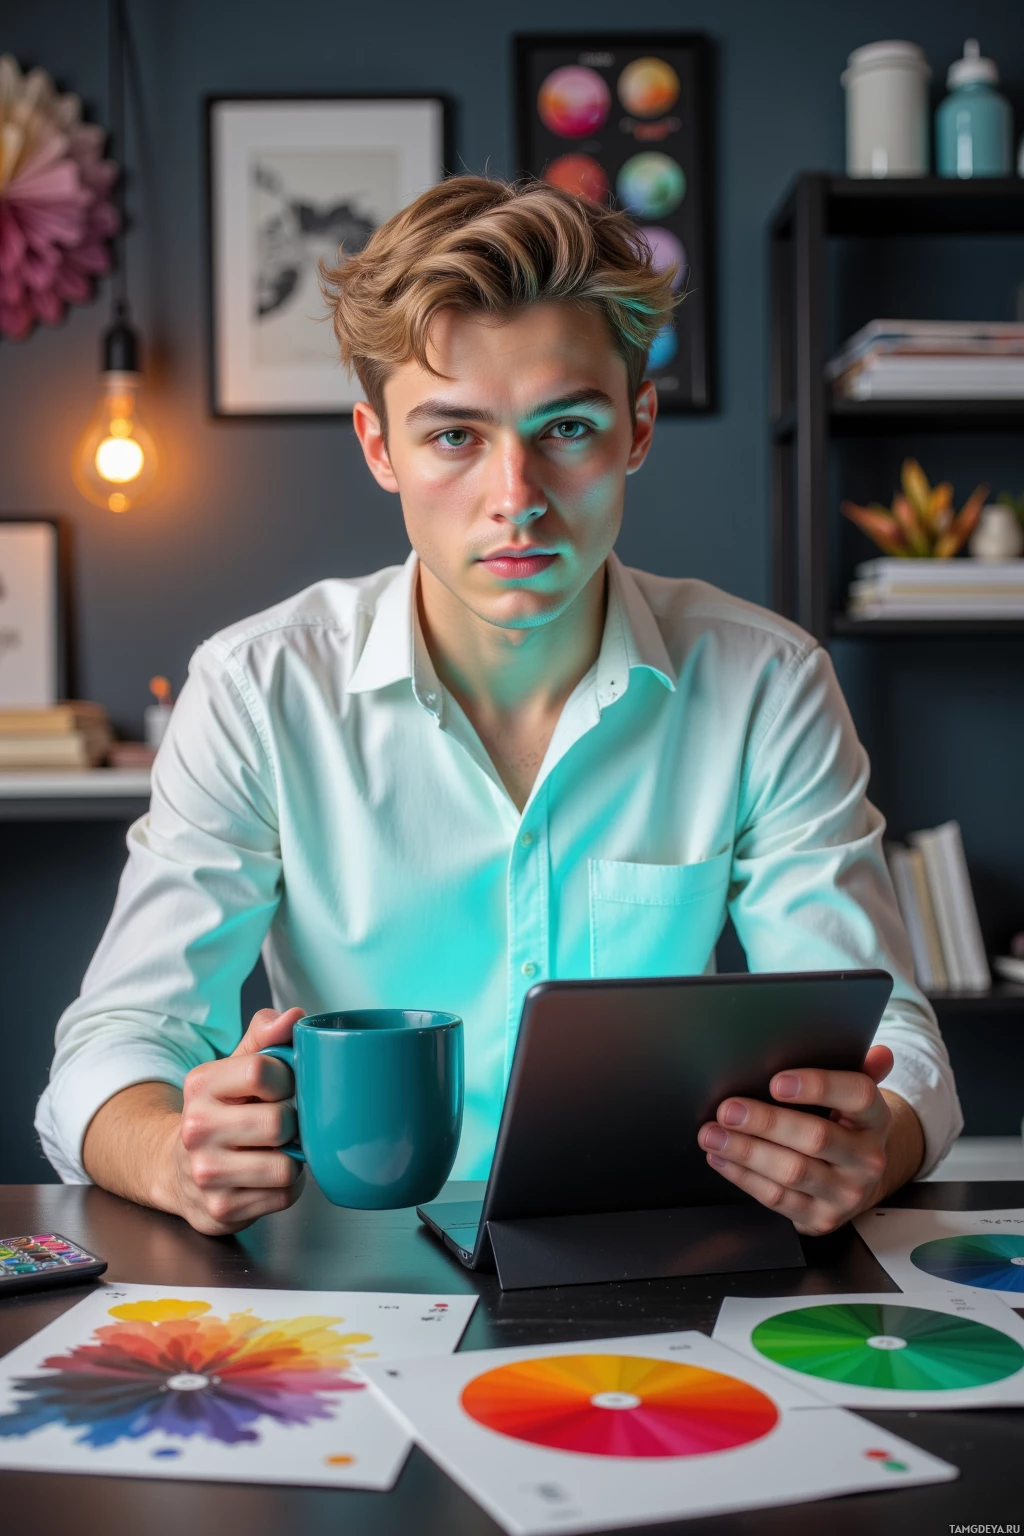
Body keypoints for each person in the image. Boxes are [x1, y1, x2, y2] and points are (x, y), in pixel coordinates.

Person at [38, 176, 961, 1237]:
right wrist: (169, 1149)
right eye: (453, 436)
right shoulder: (257, 690)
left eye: (565, 426)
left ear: (637, 425)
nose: (515, 494)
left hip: (653, 1257)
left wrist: (868, 1143)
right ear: (379, 447)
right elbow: (119, 1035)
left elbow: (892, 1036)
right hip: (350, 1277)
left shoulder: (767, 683)